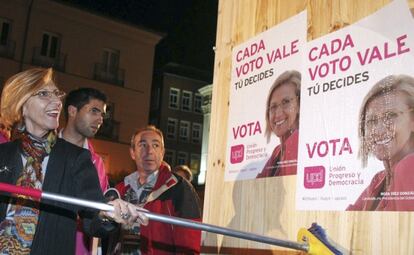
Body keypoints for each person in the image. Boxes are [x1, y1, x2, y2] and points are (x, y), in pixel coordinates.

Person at [0, 68, 146, 254]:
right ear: (21, 104)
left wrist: (107, 213)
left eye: (57, 94)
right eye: (44, 94)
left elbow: (93, 217)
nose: (56, 102)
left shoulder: (76, 158)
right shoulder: (3, 154)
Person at [114, 125, 201, 254]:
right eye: (142, 145)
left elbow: (189, 244)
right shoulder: (119, 189)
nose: (149, 151)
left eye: (156, 145)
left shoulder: (179, 188)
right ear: (132, 152)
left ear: (162, 153)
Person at [347, 74, 414, 211]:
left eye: (390, 116)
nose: (378, 129)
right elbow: (350, 220)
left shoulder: (409, 167)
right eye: (371, 121)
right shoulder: (379, 180)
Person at [61, 88, 110, 254]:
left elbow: (98, 213)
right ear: (72, 110)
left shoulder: (97, 163)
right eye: (94, 111)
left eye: (102, 114)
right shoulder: (43, 150)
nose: (100, 119)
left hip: (81, 248)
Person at [257, 70, 301, 178]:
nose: (278, 113)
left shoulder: (298, 141)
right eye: (273, 107)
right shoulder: (277, 152)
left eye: (286, 102)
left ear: (300, 105)